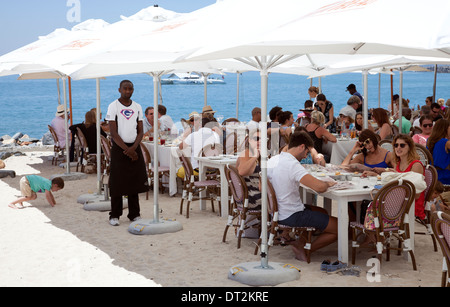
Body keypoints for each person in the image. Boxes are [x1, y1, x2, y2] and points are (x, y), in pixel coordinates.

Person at [267, 131, 337, 262]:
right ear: (301, 147)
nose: (306, 156)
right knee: (339, 227)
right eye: (307, 152)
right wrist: (328, 183)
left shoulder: (273, 159)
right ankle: (305, 248)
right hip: (291, 214)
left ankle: (302, 242)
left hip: (277, 212)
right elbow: (319, 187)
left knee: (322, 212)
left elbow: (261, 186)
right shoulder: (293, 165)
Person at [105, 80, 149, 226]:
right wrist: (126, 150)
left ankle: (134, 214)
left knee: (134, 181)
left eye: (130, 89)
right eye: (125, 88)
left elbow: (140, 130)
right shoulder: (113, 106)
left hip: (134, 147)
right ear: (119, 90)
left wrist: (134, 148)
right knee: (117, 182)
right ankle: (115, 215)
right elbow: (113, 132)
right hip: (119, 148)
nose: (128, 91)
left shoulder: (137, 107)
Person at [392, 134, 426, 220]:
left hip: (411, 205)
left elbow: (416, 194)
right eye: (396, 145)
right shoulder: (398, 163)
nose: (398, 148)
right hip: (400, 201)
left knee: (376, 207)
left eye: (402, 145)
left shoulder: (416, 165)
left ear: (410, 147)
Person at [236, 129, 262, 210]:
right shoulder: (246, 154)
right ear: (250, 140)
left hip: (255, 193)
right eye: (256, 139)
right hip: (252, 198)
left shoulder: (262, 155)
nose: (259, 141)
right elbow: (242, 171)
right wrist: (255, 157)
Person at [427, 119, 450, 185]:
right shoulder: (445, 142)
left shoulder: (429, 140)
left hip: (432, 175)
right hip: (445, 176)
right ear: (445, 129)